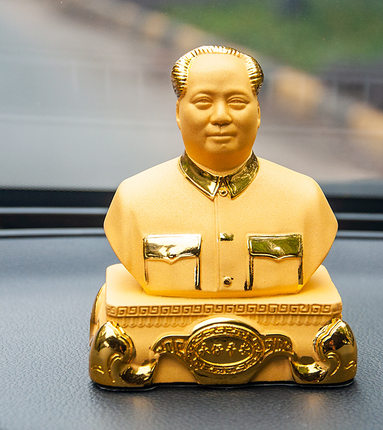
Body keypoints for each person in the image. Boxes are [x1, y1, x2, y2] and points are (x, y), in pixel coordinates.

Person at [104, 45, 337, 298]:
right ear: (178, 113)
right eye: (203, 102)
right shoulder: (134, 200)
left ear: (258, 112)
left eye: (237, 102)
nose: (221, 116)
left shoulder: (305, 199)